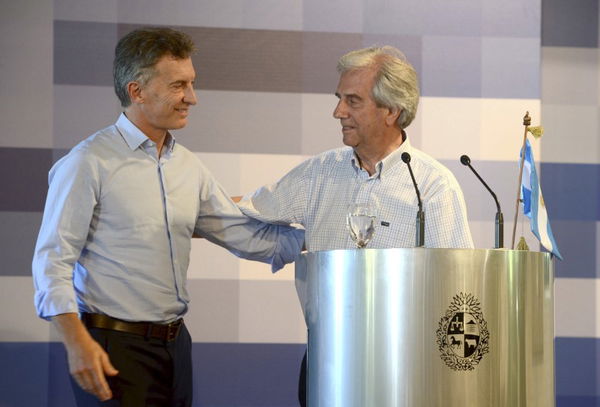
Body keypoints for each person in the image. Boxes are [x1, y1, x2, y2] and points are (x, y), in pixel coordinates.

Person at [32, 27, 303, 406]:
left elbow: (244, 235)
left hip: (176, 347)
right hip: (113, 348)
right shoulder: (86, 163)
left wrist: (323, 240)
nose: (192, 98)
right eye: (179, 85)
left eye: (191, 84)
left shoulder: (188, 167)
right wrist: (77, 342)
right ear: (136, 91)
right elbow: (52, 261)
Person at [237, 46, 474, 406]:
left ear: (391, 111)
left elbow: (457, 286)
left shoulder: (432, 186)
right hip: (325, 357)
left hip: (404, 368)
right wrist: (174, 215)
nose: (338, 112)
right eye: (339, 99)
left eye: (352, 101)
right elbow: (244, 212)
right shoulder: (319, 172)